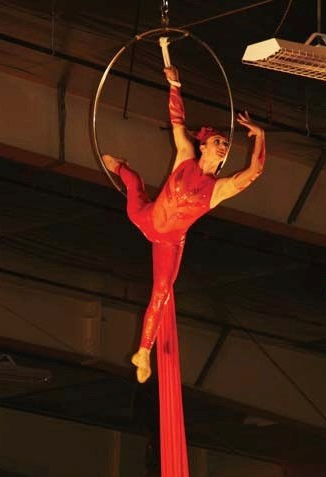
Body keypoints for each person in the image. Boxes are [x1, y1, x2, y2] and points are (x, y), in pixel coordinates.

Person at [103, 66, 265, 383]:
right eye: (218, 141)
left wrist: (260, 136)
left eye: (226, 146)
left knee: (161, 293)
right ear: (204, 145)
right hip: (146, 218)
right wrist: (175, 84)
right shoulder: (186, 154)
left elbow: (254, 172)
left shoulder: (218, 189)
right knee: (134, 182)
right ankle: (119, 165)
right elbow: (177, 119)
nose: (223, 147)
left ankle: (143, 353)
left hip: (169, 242)